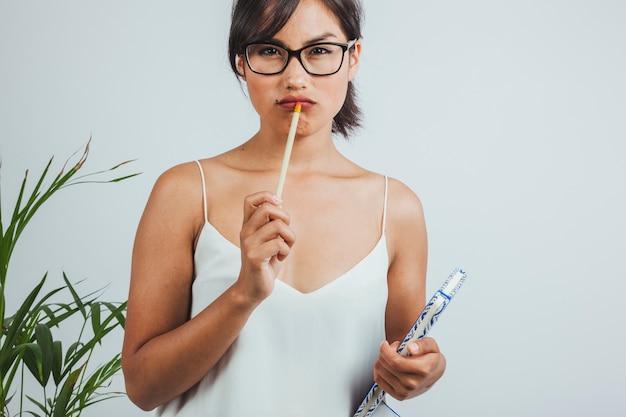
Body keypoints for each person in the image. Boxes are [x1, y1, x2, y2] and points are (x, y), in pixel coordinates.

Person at [121, 0, 446, 415]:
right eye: (270, 51)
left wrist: (423, 369)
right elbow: (143, 387)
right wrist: (243, 294)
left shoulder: (396, 208)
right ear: (241, 61)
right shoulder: (184, 192)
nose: (296, 78)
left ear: (353, 58)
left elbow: (403, 361)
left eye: (320, 51)